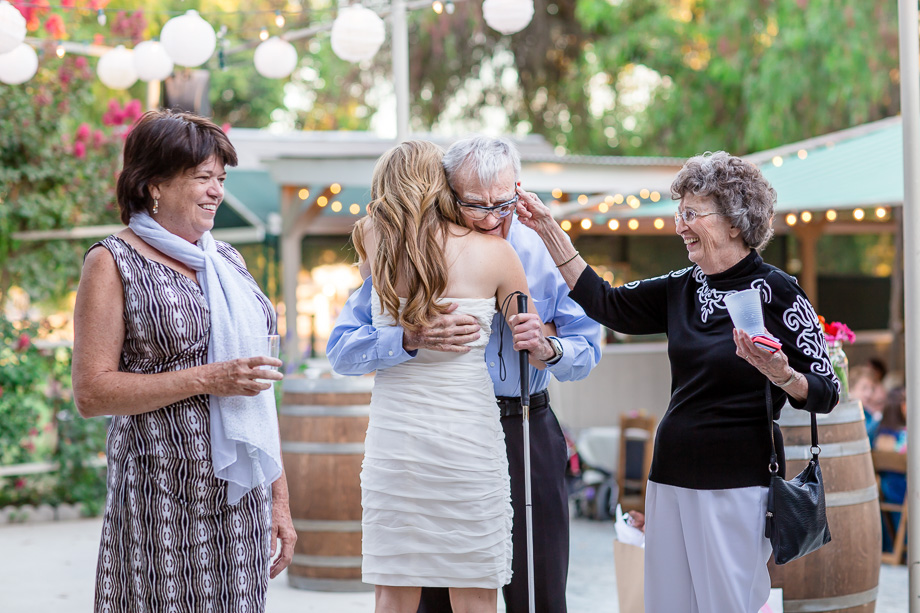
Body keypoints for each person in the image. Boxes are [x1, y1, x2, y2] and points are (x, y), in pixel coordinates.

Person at [516, 150, 839, 612]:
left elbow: (826, 391)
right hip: (668, 478)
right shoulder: (681, 286)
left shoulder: (779, 291)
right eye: (679, 213)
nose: (680, 225)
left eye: (692, 214)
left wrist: (782, 375)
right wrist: (549, 230)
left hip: (738, 484)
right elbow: (606, 304)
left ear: (734, 223)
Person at [327, 135, 602, 613]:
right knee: (435, 591)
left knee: (538, 584)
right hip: (431, 434)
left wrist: (548, 346)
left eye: (504, 202)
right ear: (446, 191)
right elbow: (343, 350)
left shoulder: (542, 252)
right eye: (475, 204)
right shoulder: (398, 250)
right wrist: (405, 338)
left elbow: (587, 345)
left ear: (519, 189)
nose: (492, 216)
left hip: (524, 426)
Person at [71, 109, 296, 611]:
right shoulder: (112, 261)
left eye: (221, 179)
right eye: (202, 178)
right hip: (160, 497)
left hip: (239, 496)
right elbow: (91, 392)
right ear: (153, 184)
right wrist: (208, 378)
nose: (216, 191)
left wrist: (278, 498)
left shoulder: (227, 261)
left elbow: (257, 391)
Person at [350, 139, 544, 612]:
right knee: (475, 588)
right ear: (443, 185)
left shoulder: (372, 237)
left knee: (393, 590)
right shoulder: (497, 253)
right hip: (467, 436)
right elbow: (530, 337)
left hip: (397, 437)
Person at [851, 364, 883, 440]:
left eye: (872, 389)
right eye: (864, 388)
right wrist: (876, 419)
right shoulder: (845, 412)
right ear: (851, 388)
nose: (869, 393)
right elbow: (859, 436)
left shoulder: (867, 413)